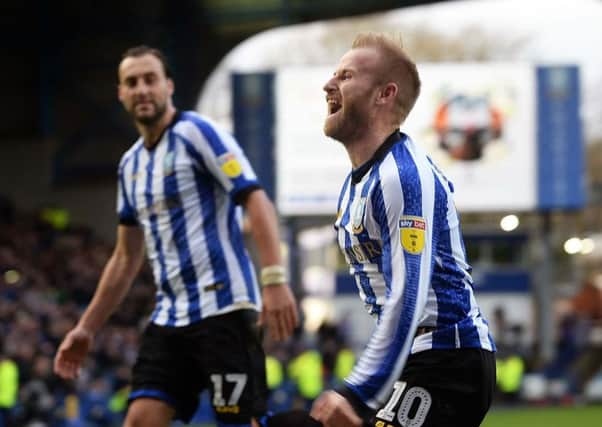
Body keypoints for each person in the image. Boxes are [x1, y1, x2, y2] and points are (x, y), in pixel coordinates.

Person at [53, 45, 298, 427]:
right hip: (170, 319)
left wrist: (274, 279)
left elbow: (255, 199)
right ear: (121, 93)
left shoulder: (197, 133)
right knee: (138, 421)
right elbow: (124, 257)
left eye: (150, 79)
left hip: (225, 311)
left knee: (240, 422)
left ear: (168, 86)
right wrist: (86, 327)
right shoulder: (130, 165)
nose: (142, 89)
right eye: (131, 82)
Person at [301, 32, 496, 427]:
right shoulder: (357, 182)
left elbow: (409, 293)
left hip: (448, 358)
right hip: (414, 359)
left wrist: (358, 390)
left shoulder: (403, 176)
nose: (328, 85)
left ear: (384, 94)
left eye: (345, 76)